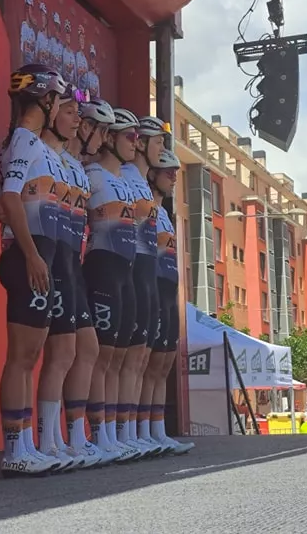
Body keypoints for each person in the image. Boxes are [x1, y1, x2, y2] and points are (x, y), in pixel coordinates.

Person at [0, 63, 67, 477]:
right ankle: (15, 448)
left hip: (36, 252)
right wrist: (31, 253)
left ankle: (25, 444)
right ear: (45, 99)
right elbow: (8, 198)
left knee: (31, 354)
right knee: (22, 356)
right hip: (29, 255)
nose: (59, 106)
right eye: (57, 98)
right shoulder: (24, 139)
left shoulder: (26, 142)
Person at [34, 83, 92, 470]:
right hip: (50, 256)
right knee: (52, 353)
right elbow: (1, 204)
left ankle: (66, 438)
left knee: (74, 351)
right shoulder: (36, 149)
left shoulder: (72, 165)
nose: (79, 122)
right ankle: (48, 439)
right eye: (70, 111)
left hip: (71, 259)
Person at [59, 97, 117, 465]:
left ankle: (78, 435)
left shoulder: (82, 168)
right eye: (102, 130)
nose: (104, 138)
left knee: (88, 349)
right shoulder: (66, 161)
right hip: (55, 260)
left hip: (72, 263)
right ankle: (63, 437)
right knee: (62, 352)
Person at [82, 108, 140, 462]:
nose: (135, 143)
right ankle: (96, 432)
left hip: (127, 270)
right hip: (102, 265)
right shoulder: (93, 174)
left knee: (118, 356)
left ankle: (116, 433)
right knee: (101, 356)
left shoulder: (125, 180)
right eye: (129, 137)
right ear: (111, 138)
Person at [118, 114, 168, 457]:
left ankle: (135, 432)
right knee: (124, 358)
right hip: (129, 268)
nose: (162, 150)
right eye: (159, 143)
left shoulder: (139, 181)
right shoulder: (123, 176)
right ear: (141, 143)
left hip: (148, 271)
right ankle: (119, 433)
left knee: (141, 359)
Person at [139, 147, 194, 455]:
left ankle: (157, 431)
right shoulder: (145, 207)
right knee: (146, 363)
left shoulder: (165, 214)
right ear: (152, 174)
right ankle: (140, 430)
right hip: (150, 285)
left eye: (176, 172)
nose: (174, 177)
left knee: (163, 364)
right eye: (167, 172)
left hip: (168, 290)